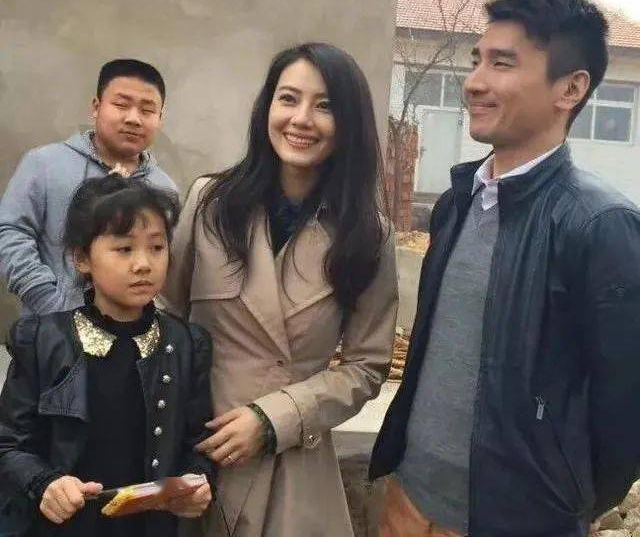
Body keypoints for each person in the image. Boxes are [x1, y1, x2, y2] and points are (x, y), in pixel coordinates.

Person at [370, 0, 640, 537]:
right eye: (477, 60)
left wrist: (562, 505)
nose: (474, 81)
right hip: (408, 499)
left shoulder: (599, 225)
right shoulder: (457, 202)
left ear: (571, 88)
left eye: (502, 63)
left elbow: (625, 408)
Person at [161, 42, 399, 536]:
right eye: (288, 98)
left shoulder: (367, 234)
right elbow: (164, 315)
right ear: (267, 106)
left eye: (325, 106)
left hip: (291, 461)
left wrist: (275, 420)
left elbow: (366, 365)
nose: (301, 119)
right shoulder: (210, 202)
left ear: (349, 122)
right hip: (192, 453)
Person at [0, 176, 213, 537]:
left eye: (157, 247)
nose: (143, 264)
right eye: (124, 249)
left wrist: (197, 482)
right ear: (82, 258)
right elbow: (9, 443)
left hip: (150, 528)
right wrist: (45, 483)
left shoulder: (186, 343)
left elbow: (198, 442)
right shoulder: (43, 340)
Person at [0, 58, 177, 316]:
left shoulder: (164, 188)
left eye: (147, 110)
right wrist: (48, 302)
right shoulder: (45, 164)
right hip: (52, 327)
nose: (133, 119)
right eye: (121, 105)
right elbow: (10, 232)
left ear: (160, 118)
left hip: (135, 332)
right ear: (96, 106)